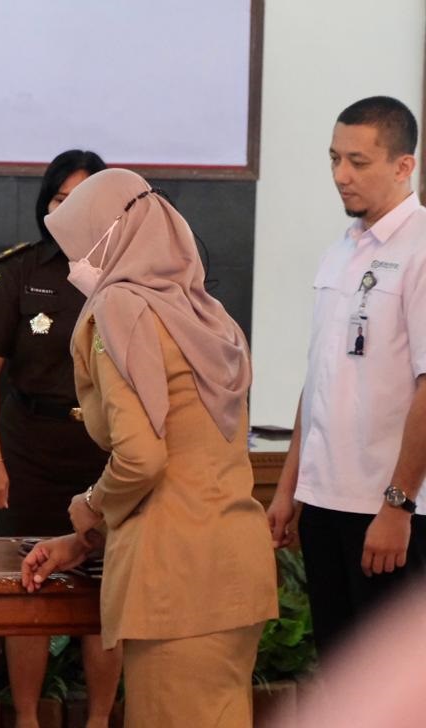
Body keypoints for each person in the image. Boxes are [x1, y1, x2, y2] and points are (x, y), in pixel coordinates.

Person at [21, 168, 278, 727]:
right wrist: (87, 539)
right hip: (234, 567)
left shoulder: (121, 308)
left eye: (79, 245)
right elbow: (189, 459)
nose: (73, 264)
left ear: (109, 238)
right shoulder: (207, 314)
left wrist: (91, 505)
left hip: (174, 583)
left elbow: (143, 457)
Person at [266, 96, 426, 659]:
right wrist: (289, 489)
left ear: (404, 165)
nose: (341, 175)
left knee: (389, 680)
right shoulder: (342, 250)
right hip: (324, 502)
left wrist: (398, 505)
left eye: (358, 162)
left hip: (388, 509)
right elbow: (320, 378)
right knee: (340, 672)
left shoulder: (420, 249)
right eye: (334, 158)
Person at [0, 149, 121, 728]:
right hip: (31, 448)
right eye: (60, 199)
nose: (70, 210)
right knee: (29, 587)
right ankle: (28, 719)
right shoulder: (18, 271)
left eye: (84, 200)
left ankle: (100, 720)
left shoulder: (130, 272)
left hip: (107, 453)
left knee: (106, 592)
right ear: (45, 204)